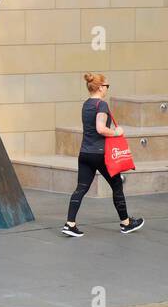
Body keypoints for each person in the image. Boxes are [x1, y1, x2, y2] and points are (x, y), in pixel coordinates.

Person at [61, 72, 144, 237]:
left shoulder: (86, 104)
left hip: (85, 153)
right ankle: (126, 223)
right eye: (107, 86)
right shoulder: (101, 105)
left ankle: (70, 224)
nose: (107, 89)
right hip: (99, 155)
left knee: (81, 188)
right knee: (117, 186)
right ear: (100, 87)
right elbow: (100, 128)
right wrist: (116, 132)